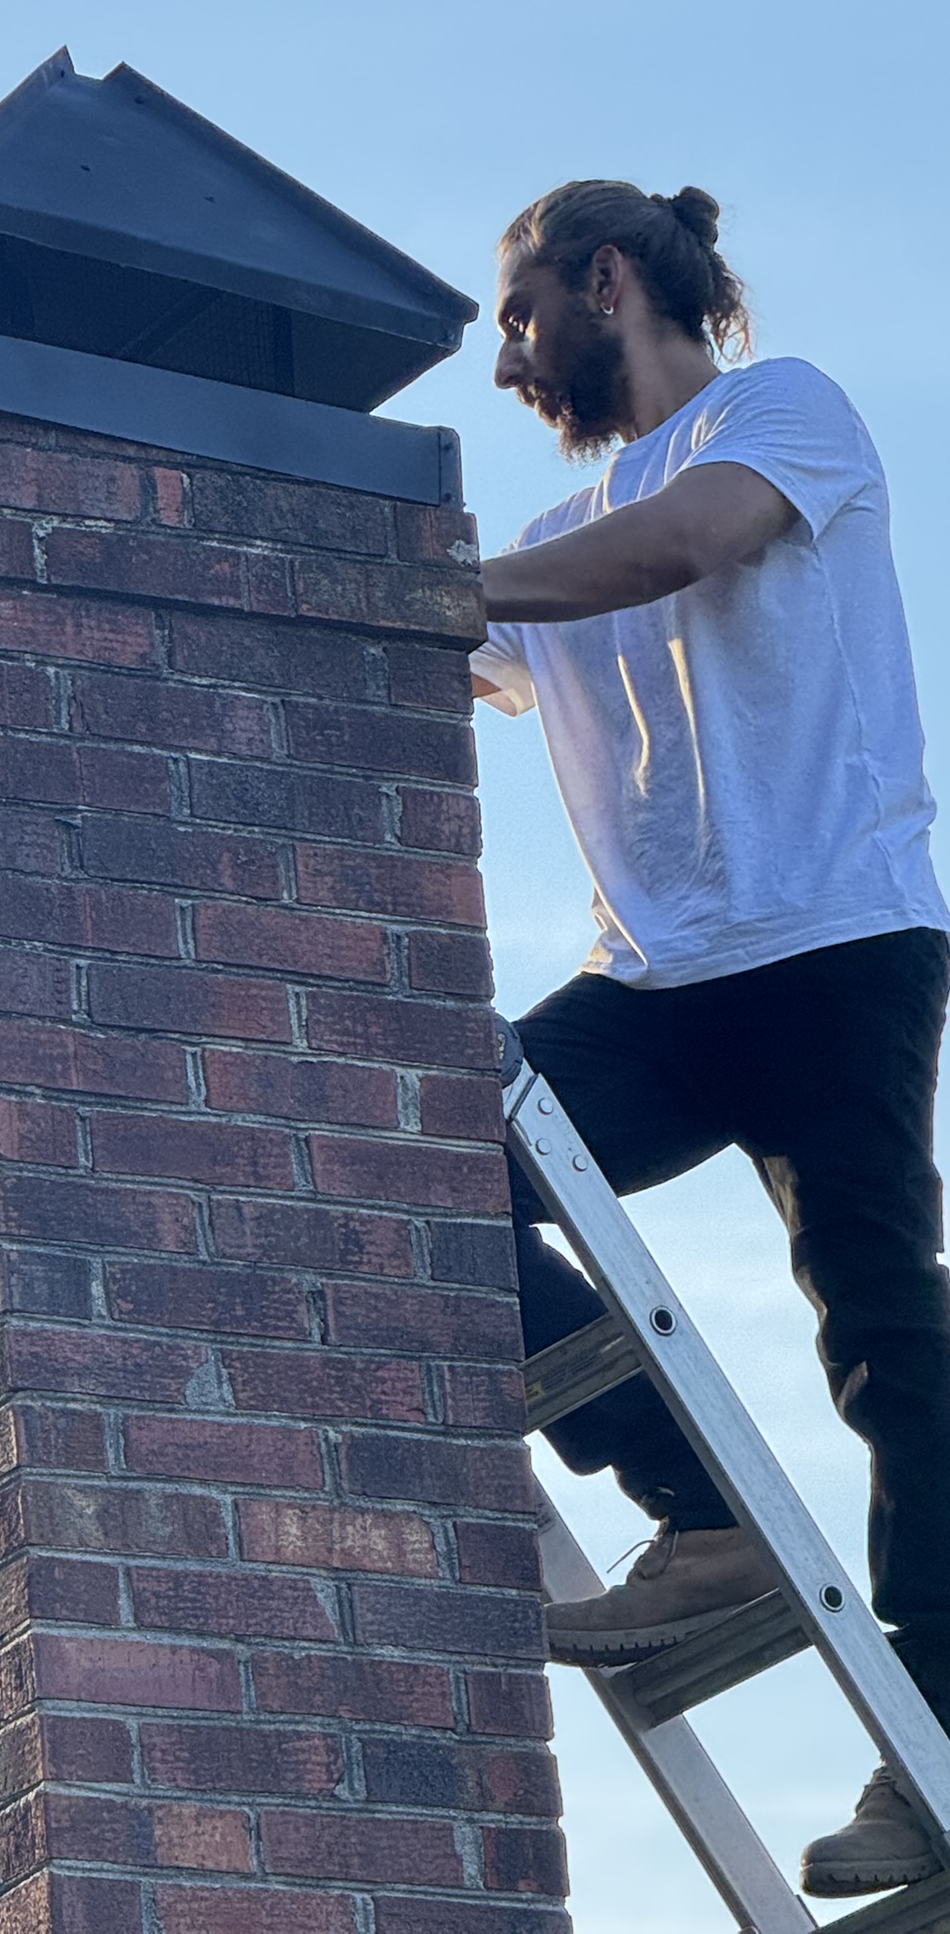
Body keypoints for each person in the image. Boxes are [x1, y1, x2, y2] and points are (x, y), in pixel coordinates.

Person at [471, 179, 950, 1900]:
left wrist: (469, 583)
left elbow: (687, 549)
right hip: (657, 988)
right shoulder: (556, 527)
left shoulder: (781, 411)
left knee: (887, 1335)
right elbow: (463, 641)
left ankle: (938, 1760)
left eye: (523, 312)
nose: (509, 352)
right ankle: (706, 1518)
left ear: (611, 280)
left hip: (836, 945)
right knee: (422, 1165)